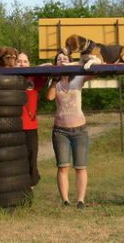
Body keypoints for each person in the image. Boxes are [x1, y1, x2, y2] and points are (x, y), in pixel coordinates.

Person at [46, 51, 93, 209]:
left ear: (70, 62)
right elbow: (50, 97)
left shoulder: (78, 78)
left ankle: (81, 200)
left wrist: (80, 64)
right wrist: (55, 79)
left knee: (80, 166)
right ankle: (65, 200)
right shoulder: (54, 82)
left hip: (80, 129)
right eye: (59, 59)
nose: (62, 61)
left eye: (65, 59)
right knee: (63, 166)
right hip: (60, 131)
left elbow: (95, 73)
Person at [16, 52, 49, 188]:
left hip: (30, 124)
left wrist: (37, 67)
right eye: (19, 61)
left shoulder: (34, 78)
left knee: (31, 155)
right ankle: (17, 181)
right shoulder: (8, 77)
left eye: (25, 61)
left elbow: (48, 67)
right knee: (17, 156)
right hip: (13, 125)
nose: (22, 63)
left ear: (29, 63)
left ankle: (32, 183)